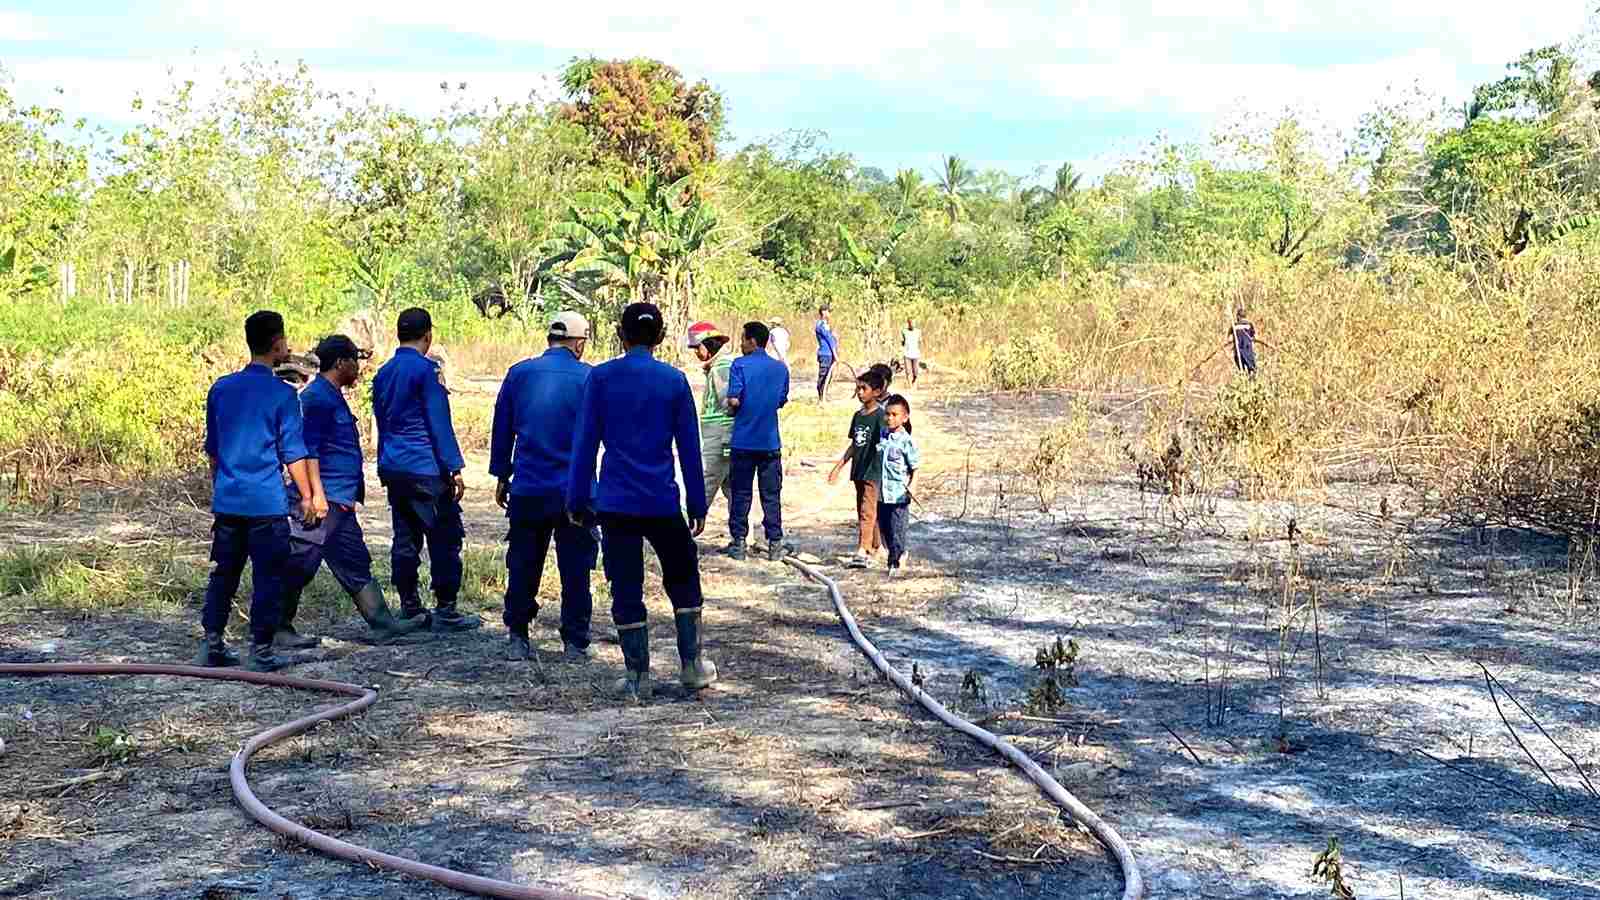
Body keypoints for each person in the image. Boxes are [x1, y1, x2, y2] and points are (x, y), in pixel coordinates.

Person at [567, 302, 717, 702]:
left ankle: (637, 676)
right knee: (683, 580)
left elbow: (584, 446)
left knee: (627, 587)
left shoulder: (600, 379)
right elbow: (690, 448)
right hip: (662, 501)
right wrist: (697, 504)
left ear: (621, 334)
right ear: (661, 336)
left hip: (616, 503)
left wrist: (578, 498)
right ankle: (691, 666)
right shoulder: (674, 381)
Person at [276, 335, 429, 649]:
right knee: (299, 562)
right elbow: (309, 451)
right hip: (324, 500)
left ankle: (382, 623)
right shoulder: (317, 398)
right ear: (342, 362)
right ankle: (276, 627)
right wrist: (315, 496)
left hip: (340, 502)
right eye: (355, 361)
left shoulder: (331, 395)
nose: (359, 368)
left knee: (355, 562)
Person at [195, 310, 317, 672]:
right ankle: (260, 651)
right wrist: (308, 496)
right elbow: (293, 452)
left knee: (224, 573)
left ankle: (211, 643)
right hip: (265, 503)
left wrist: (222, 488)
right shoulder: (283, 396)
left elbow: (214, 451)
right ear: (278, 343)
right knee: (268, 576)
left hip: (229, 501)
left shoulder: (221, 388)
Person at [490, 312, 599, 662]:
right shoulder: (589, 378)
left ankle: (518, 636)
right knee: (576, 568)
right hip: (575, 492)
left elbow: (502, 427)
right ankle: (575, 642)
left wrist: (501, 474)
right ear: (579, 343)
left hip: (529, 488)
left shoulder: (519, 373)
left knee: (522, 563)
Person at [371, 307, 480, 633]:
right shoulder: (427, 371)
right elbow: (438, 422)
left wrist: (382, 462)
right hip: (424, 468)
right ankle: (446, 609)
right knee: (444, 536)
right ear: (428, 336)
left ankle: (410, 606)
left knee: (405, 537)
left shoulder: (384, 372)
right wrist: (454, 467)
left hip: (394, 467)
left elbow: (381, 421)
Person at [725, 321, 791, 562]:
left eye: (743, 340)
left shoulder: (739, 365)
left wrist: (734, 409)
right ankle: (775, 543)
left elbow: (733, 400)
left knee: (741, 493)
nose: (741, 345)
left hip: (743, 441)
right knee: (771, 494)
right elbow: (781, 400)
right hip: (770, 443)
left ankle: (739, 543)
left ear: (752, 341)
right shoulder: (780, 369)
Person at [827, 367, 888, 569]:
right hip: (858, 471)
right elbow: (854, 444)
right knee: (866, 510)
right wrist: (839, 466)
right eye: (858, 388)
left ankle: (862, 550)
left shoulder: (881, 417)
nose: (860, 392)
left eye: (864, 388)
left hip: (873, 471)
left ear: (877, 392)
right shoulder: (858, 416)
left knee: (867, 510)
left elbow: (886, 443)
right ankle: (876, 547)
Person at [687, 321, 735, 518]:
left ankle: (686, 528)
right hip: (723, 437)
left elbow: (728, 402)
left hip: (720, 438)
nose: (697, 353)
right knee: (733, 490)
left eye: (698, 348)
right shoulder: (716, 366)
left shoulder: (721, 368)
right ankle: (742, 538)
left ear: (710, 345)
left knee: (706, 483)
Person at [876, 394, 921, 572]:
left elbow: (915, 467)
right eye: (887, 414)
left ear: (905, 417)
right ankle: (895, 555)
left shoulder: (907, 441)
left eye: (895, 415)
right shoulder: (882, 436)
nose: (890, 418)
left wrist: (913, 485)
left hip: (899, 495)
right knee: (885, 529)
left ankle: (895, 561)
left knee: (897, 530)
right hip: (882, 494)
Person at [814, 305, 840, 402]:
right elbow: (829, 340)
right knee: (823, 375)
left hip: (829, 354)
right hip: (825, 354)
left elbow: (832, 338)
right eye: (828, 311)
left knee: (829, 375)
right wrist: (835, 354)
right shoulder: (820, 325)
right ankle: (821, 396)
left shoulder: (826, 325)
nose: (829, 314)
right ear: (824, 312)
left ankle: (824, 395)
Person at [1231, 307, 1259, 376]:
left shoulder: (1234, 326)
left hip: (1238, 353)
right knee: (1252, 370)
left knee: (1241, 371)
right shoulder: (1249, 325)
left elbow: (1228, 338)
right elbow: (1254, 336)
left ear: (1238, 316)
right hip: (1248, 351)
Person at [901, 318, 922, 385]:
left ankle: (914, 381)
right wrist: (903, 346)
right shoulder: (904, 331)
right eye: (910, 323)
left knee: (915, 371)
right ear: (908, 324)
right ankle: (909, 385)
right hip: (907, 354)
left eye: (913, 323)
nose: (912, 324)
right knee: (908, 371)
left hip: (916, 354)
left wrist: (919, 350)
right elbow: (902, 341)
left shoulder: (918, 331)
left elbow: (920, 341)